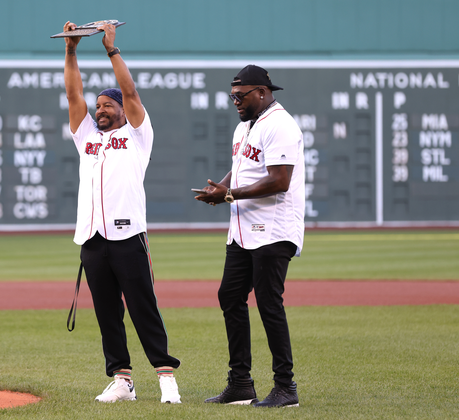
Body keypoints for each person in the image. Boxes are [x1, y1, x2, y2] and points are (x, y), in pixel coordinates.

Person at [62, 21, 182, 404]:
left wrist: (111, 49)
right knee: (107, 314)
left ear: (123, 110)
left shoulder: (136, 135)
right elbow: (72, 94)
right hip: (93, 239)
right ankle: (122, 380)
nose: (99, 110)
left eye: (107, 105)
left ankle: (166, 378)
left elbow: (129, 90)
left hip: (129, 237)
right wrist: (71, 49)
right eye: (98, 106)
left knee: (143, 307)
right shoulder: (87, 140)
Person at [194, 65, 305, 408]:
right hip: (243, 230)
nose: (235, 102)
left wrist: (229, 196)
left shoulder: (280, 124)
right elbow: (243, 164)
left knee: (269, 303)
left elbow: (279, 181)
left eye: (240, 96)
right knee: (229, 296)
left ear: (262, 92)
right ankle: (241, 383)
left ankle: (285, 388)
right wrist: (225, 185)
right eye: (232, 96)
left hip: (273, 229)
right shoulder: (246, 127)